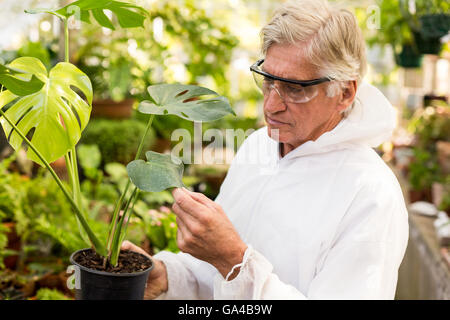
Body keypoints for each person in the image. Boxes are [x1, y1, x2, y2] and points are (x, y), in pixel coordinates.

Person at [122, 0, 409, 299]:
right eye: (268, 80)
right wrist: (169, 277)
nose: (271, 105)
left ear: (344, 92)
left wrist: (235, 261)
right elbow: (213, 276)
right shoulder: (260, 145)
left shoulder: (370, 194)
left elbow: (231, 265)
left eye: (295, 89)